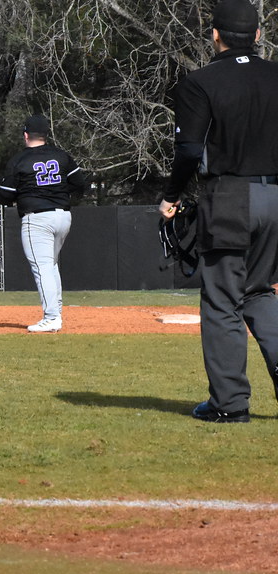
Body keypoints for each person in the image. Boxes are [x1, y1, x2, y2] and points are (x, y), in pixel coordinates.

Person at [159, 0, 278, 423]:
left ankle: (230, 405)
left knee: (222, 300)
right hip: (275, 197)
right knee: (260, 292)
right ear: (259, 36)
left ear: (215, 36)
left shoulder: (200, 81)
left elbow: (190, 149)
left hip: (230, 197)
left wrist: (171, 195)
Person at [0, 114, 86, 332]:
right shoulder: (61, 156)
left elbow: (5, 195)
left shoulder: (20, 160)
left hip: (37, 218)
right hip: (63, 216)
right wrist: (57, 192)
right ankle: (56, 311)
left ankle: (52, 316)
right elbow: (80, 183)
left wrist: (24, 195)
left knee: (43, 266)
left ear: (26, 135)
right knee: (51, 264)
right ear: (46, 135)